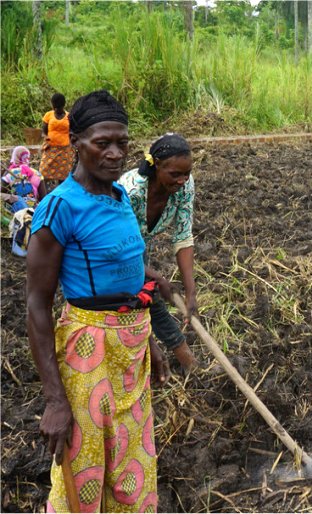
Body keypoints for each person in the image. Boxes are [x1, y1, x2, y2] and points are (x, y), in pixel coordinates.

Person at [26, 90, 164, 513]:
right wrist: (53, 399)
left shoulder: (120, 198)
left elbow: (133, 279)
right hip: (88, 352)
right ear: (76, 143)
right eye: (102, 143)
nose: (115, 153)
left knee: (131, 460)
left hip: (130, 353)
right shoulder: (59, 208)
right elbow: (35, 305)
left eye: (122, 142)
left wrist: (151, 343)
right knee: (83, 468)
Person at [119, 133, 199, 372]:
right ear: (155, 167)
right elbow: (116, 247)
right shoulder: (129, 190)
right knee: (148, 300)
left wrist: (190, 291)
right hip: (111, 251)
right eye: (175, 174)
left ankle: (181, 359)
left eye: (186, 173)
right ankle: (188, 361)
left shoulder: (185, 186)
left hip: (139, 250)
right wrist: (157, 278)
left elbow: (183, 236)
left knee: (144, 301)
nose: (182, 180)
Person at [40, 93, 76, 190]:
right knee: (44, 172)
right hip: (50, 149)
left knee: (63, 175)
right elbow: (43, 131)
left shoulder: (69, 116)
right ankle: (45, 192)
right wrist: (46, 137)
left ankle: (61, 193)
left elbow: (72, 132)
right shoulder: (48, 115)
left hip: (65, 150)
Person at [2, 146, 46, 213]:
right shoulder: (37, 174)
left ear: (14, 156)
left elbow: (2, 193)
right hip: (34, 211)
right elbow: (43, 198)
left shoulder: (9, 174)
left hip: (15, 213)